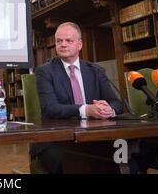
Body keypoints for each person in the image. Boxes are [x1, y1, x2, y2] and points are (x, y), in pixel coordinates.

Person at [33, 22, 124, 173]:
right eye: (59, 41)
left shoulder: (95, 70)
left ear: (79, 44)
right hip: (58, 139)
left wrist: (108, 110)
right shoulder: (44, 72)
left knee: (120, 159)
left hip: (94, 136)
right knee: (76, 165)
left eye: (68, 40)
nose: (63, 44)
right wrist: (87, 110)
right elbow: (51, 108)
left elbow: (117, 103)